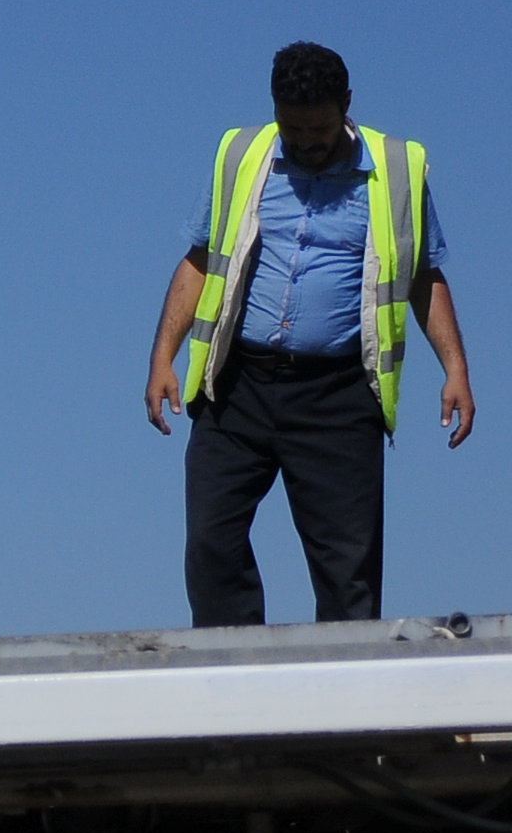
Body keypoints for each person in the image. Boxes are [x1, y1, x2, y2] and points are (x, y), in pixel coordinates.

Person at [146, 41, 471, 626]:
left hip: (338, 398)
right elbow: (200, 258)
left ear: (346, 107)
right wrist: (162, 359)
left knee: (348, 570)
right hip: (236, 386)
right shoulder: (240, 155)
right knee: (211, 545)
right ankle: (236, 690)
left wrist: (456, 371)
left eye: (318, 128)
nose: (305, 141)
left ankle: (342, 709)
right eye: (291, 127)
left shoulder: (398, 171)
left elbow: (424, 276)